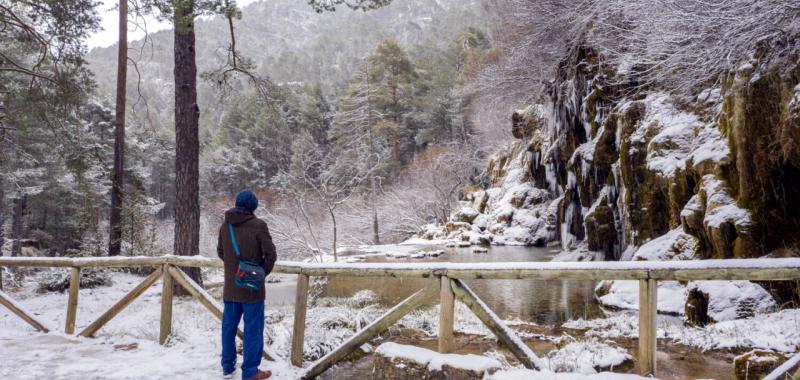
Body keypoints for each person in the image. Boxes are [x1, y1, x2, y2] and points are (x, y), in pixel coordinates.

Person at [217, 189, 277, 380]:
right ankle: (250, 372)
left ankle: (227, 367)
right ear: (253, 206)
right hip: (252, 291)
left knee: (228, 328)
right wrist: (260, 273)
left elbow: (220, 252)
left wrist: (233, 269)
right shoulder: (259, 225)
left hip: (231, 288)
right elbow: (271, 255)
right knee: (253, 330)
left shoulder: (225, 226)